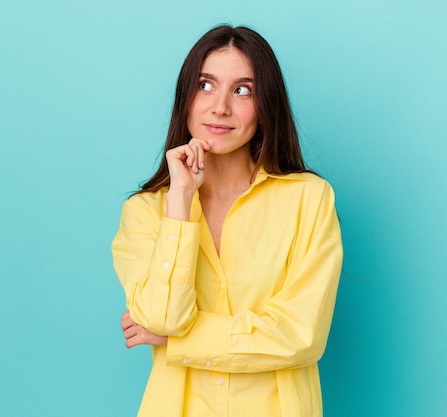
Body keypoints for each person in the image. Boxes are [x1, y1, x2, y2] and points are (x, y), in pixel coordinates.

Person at [111, 25, 343, 417]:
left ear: (265, 104)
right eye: (205, 85)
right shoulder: (146, 211)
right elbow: (163, 318)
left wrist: (178, 341)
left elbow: (300, 336)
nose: (220, 106)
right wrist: (180, 201)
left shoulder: (308, 198)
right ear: (185, 97)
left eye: (242, 90)